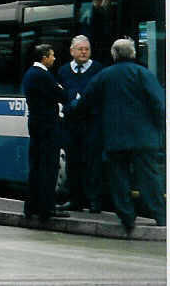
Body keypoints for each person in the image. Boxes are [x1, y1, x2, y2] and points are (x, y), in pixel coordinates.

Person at [68, 38, 165, 236]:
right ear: (133, 54)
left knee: (119, 178)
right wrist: (159, 128)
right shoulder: (144, 74)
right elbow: (158, 103)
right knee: (149, 177)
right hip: (144, 137)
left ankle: (127, 217)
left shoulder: (104, 75)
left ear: (114, 55)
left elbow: (85, 102)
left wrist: (71, 111)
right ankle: (160, 215)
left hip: (115, 137)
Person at [55, 35, 104, 212]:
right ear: (72, 51)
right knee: (73, 161)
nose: (84, 52)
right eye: (80, 49)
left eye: (87, 49)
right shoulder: (63, 71)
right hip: (71, 124)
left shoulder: (98, 69)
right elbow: (60, 94)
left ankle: (94, 200)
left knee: (92, 162)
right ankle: (76, 199)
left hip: (91, 123)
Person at [22, 44, 70, 222]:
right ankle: (47, 208)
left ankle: (32, 207)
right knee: (49, 167)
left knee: (36, 166)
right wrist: (60, 89)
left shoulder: (30, 74)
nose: (54, 58)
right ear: (44, 57)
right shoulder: (43, 75)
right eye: (52, 55)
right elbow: (63, 95)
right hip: (48, 126)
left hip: (36, 124)